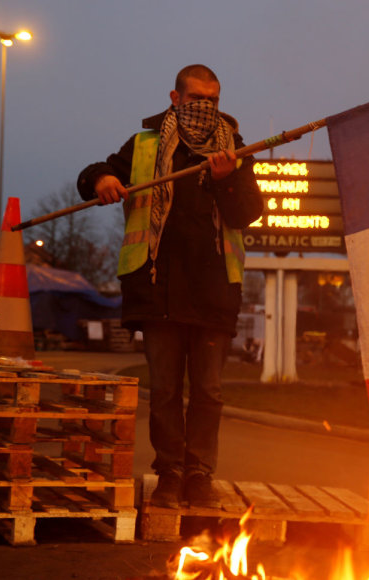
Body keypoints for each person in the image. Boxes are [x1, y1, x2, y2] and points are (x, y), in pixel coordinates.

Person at [77, 64, 263, 509]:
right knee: (163, 391)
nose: (205, 107)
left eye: (213, 100)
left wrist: (225, 181)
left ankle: (200, 474)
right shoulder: (143, 144)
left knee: (208, 392)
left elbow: (248, 213)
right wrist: (102, 181)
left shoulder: (235, 150)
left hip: (215, 292)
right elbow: (96, 172)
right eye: (196, 98)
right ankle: (170, 474)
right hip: (158, 290)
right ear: (175, 98)